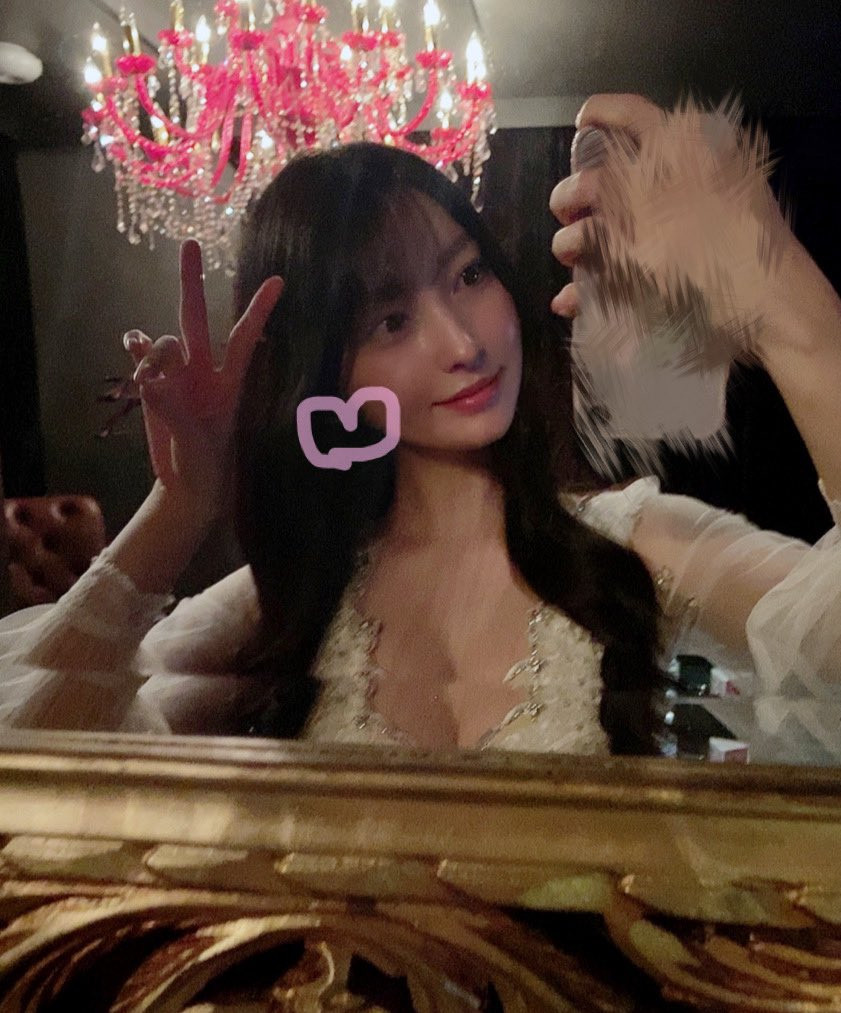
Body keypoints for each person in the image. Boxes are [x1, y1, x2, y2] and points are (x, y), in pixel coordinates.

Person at [0, 94, 838, 763]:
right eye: (390, 320)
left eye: (468, 275)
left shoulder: (640, 541)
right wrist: (181, 505)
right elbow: (38, 772)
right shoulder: (285, 601)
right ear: (327, 372)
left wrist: (789, 312)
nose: (462, 343)